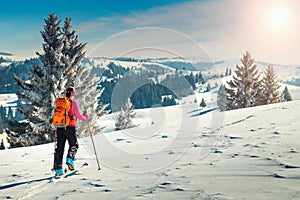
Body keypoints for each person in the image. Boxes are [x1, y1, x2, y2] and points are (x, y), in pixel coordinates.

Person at [53, 86, 89, 176]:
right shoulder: (73, 103)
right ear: (73, 93)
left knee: (60, 148)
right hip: (70, 127)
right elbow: (79, 116)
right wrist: (86, 117)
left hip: (60, 127)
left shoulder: (60, 103)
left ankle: (58, 169)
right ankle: (70, 159)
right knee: (73, 145)